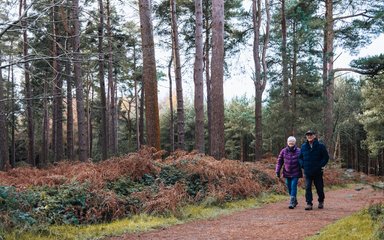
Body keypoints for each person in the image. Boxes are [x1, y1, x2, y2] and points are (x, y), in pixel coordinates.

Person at [299, 130, 329, 210]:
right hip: (307, 171)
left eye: (310, 135)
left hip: (318, 171)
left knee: (319, 187)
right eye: (307, 135)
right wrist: (303, 165)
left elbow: (326, 157)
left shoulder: (321, 146)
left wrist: (320, 165)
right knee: (308, 187)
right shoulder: (303, 146)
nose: (309, 136)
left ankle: (321, 201)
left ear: (314, 136)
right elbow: (300, 158)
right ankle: (309, 203)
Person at [275, 136, 302, 209]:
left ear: (294, 143)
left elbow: (302, 161)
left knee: (293, 186)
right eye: (290, 142)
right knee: (289, 186)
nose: (291, 144)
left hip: (296, 172)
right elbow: (279, 162)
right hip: (287, 172)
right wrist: (277, 171)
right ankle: (294, 199)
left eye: (292, 142)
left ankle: (292, 202)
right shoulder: (283, 151)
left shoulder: (299, 151)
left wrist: (306, 168)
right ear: (287, 143)